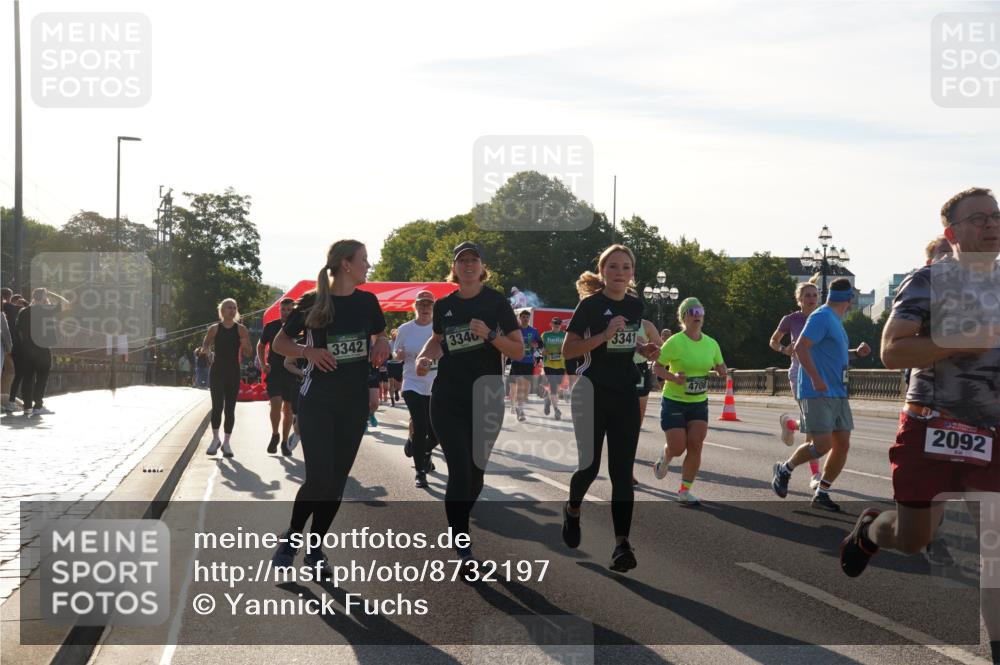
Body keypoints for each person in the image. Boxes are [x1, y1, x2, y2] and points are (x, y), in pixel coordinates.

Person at [839, 188, 1000, 664]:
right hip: (932, 428)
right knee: (913, 540)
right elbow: (892, 351)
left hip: (993, 436)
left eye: (996, 216)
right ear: (951, 233)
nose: (991, 225)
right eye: (977, 219)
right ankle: (870, 532)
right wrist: (954, 342)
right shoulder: (929, 281)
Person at [271, 240, 390, 575]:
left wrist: (382, 342)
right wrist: (307, 353)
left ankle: (315, 547)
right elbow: (280, 343)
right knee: (320, 477)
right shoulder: (313, 302)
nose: (369, 264)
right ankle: (292, 538)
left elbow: (380, 335)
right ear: (346, 265)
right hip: (317, 400)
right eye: (364, 260)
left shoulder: (367, 302)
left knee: (337, 481)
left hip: (352, 403)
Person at [415, 241, 522, 570]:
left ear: (482, 266)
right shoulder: (445, 305)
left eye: (474, 260)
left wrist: (490, 335)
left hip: (486, 398)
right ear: (455, 268)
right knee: (460, 472)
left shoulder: (496, 302)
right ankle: (461, 542)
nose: (469, 265)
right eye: (462, 261)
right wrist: (424, 356)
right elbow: (438, 339)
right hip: (448, 397)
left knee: (475, 477)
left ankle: (459, 520)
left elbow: (517, 351)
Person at [560, 244, 659, 572]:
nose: (619, 273)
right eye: (613, 267)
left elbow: (626, 343)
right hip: (590, 393)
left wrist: (644, 348)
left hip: (624, 393)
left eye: (626, 267)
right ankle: (573, 510)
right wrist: (603, 334)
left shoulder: (635, 305)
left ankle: (621, 544)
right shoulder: (590, 306)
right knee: (588, 468)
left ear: (633, 273)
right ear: (602, 273)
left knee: (621, 473)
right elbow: (568, 350)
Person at [771, 278, 871, 511]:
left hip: (837, 391)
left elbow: (833, 354)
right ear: (849, 299)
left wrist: (856, 353)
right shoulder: (822, 316)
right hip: (817, 391)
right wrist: (816, 379)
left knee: (842, 444)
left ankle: (822, 492)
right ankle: (784, 469)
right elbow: (800, 348)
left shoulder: (834, 320)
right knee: (823, 444)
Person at [651, 298, 726, 505]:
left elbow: (721, 365)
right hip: (674, 400)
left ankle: (685, 491)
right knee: (677, 447)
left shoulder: (711, 343)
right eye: (691, 311)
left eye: (699, 311)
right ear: (684, 317)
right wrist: (674, 378)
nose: (696, 315)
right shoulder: (675, 342)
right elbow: (656, 367)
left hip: (699, 402)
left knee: (695, 445)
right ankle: (666, 457)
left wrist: (722, 370)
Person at [771, 282, 824, 488]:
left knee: (815, 422)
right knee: (813, 424)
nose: (812, 298)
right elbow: (773, 341)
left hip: (820, 374)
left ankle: (790, 424)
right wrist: (784, 349)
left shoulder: (824, 318)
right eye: (807, 295)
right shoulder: (791, 319)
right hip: (799, 373)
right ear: (799, 299)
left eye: (815, 295)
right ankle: (815, 475)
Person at [395, 290, 438, 488]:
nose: (425, 308)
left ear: (433, 307)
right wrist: (399, 354)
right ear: (415, 306)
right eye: (421, 304)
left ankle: (422, 449)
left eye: (428, 304)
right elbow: (396, 352)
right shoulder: (405, 329)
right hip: (412, 382)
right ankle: (420, 472)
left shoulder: (439, 328)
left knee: (437, 430)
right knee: (421, 426)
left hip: (436, 384)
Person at [201, 298, 252, 457]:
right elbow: (205, 345)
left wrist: (245, 346)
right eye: (229, 307)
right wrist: (207, 351)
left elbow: (249, 353)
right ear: (222, 311)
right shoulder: (214, 329)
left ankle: (227, 442)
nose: (232, 310)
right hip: (217, 371)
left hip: (233, 372)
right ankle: (215, 439)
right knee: (217, 407)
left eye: (234, 308)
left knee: (230, 409)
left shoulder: (241, 329)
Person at [14, 288, 69, 418]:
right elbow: (66, 303)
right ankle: (38, 406)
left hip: (27, 349)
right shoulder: (46, 309)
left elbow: (18, 331)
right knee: (42, 378)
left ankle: (27, 407)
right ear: (44, 298)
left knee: (27, 378)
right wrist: (52, 293)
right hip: (42, 349)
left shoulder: (23, 311)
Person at [259, 297, 296, 456]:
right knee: (276, 404)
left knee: (288, 409)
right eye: (283, 310)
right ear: (279, 310)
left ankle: (284, 442)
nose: (286, 313)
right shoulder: (271, 326)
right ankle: (275, 434)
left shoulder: (298, 327)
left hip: (292, 372)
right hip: (274, 371)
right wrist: (262, 364)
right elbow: (260, 345)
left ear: (293, 310)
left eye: (289, 310)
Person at [509, 309, 540, 422]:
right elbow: (509, 342)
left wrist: (535, 345)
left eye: (527, 317)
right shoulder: (515, 331)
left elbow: (540, 344)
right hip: (517, 361)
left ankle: (519, 405)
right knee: (520, 385)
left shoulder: (534, 331)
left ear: (529, 318)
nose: (525, 319)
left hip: (528, 362)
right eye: (523, 317)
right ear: (520, 318)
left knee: (526, 388)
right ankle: (520, 410)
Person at [540, 317, 566, 420]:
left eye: (559, 324)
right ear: (551, 324)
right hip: (548, 364)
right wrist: (542, 351)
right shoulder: (545, 335)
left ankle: (547, 399)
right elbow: (540, 347)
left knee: (557, 387)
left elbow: (568, 347)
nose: (557, 325)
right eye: (555, 324)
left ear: (561, 325)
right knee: (553, 387)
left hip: (561, 365)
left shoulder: (564, 335)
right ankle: (556, 410)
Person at [386, 328, 403, 406]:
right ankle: (392, 401)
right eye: (392, 335)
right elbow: (386, 353)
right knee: (391, 383)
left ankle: (396, 391)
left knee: (399, 385)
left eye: (395, 334)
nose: (394, 336)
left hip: (398, 364)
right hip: (390, 364)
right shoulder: (389, 343)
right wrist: (389, 355)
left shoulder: (400, 343)